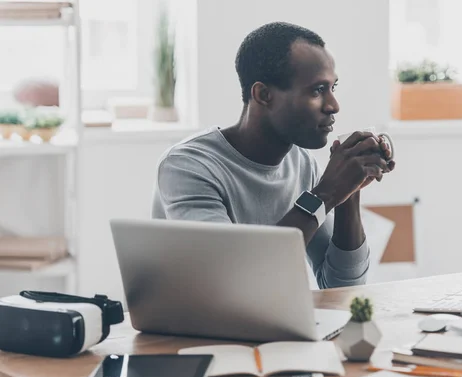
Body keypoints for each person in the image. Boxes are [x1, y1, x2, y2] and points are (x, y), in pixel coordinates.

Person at [152, 22, 395, 289]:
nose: (333, 105)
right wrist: (325, 194)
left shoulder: (301, 163)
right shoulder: (188, 167)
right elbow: (230, 281)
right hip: (193, 329)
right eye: (317, 90)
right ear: (263, 94)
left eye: (332, 88)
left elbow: (340, 286)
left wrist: (349, 191)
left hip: (271, 325)